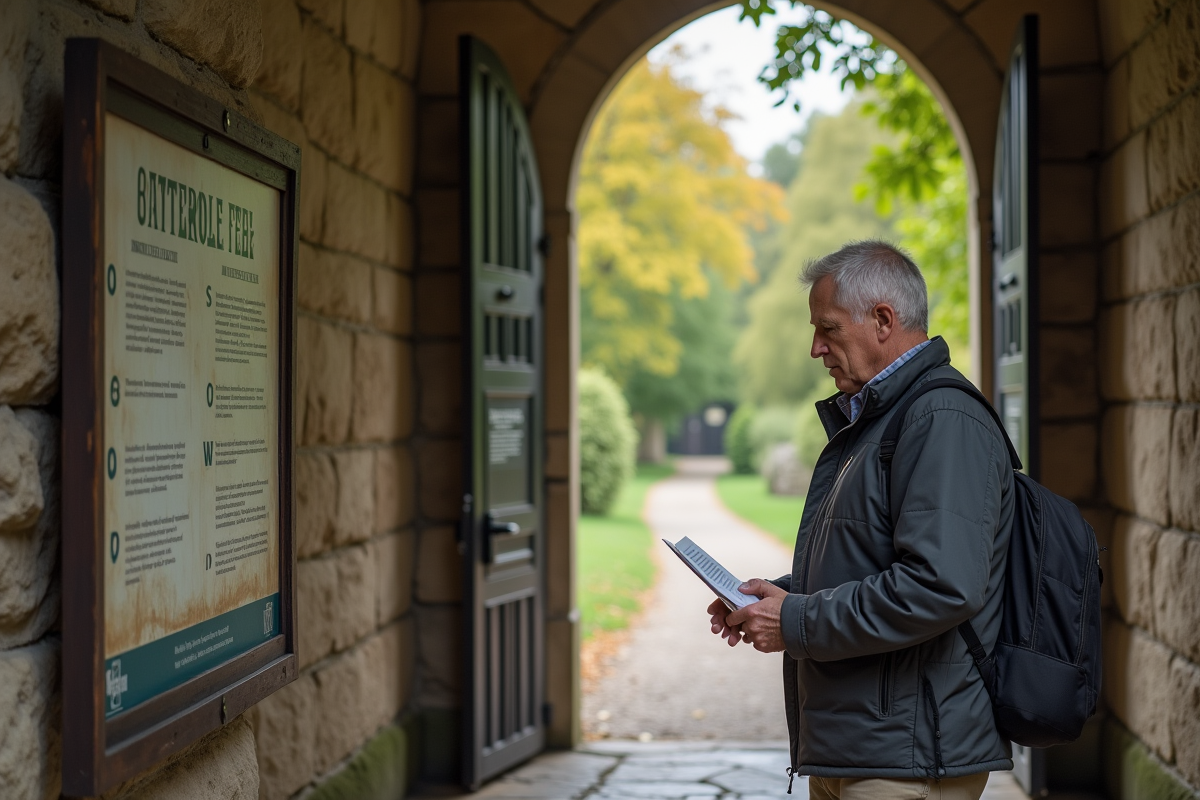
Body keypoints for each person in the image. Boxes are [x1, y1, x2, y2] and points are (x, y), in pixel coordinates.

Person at [709, 241, 1014, 800]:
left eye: (827, 328)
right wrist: (774, 598)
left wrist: (796, 620)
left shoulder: (941, 419)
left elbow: (939, 586)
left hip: (906, 759)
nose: (814, 348)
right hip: (864, 748)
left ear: (882, 320)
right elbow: (873, 565)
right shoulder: (883, 418)